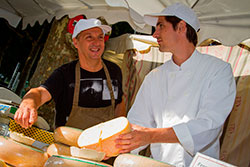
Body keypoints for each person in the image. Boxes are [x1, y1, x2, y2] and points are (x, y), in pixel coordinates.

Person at [115, 3, 236, 166]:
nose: (155, 34)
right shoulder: (154, 77)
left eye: (160, 26)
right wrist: (121, 145)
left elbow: (208, 126)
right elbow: (138, 123)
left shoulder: (218, 70)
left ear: (181, 27)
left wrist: (151, 136)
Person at [14, 18, 126, 130]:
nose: (96, 43)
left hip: (102, 144)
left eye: (100, 37)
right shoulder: (64, 74)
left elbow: (119, 104)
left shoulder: (114, 71)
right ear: (76, 42)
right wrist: (29, 104)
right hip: (67, 144)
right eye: (89, 37)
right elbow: (40, 92)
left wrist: (120, 130)